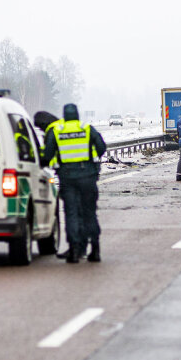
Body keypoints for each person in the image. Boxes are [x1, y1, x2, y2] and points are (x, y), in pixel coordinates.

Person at [42, 103, 108, 263]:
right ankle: (95, 249)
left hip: (67, 177)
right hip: (88, 176)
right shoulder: (86, 128)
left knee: (71, 213)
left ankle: (74, 251)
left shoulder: (57, 131)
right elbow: (101, 147)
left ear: (64, 116)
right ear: (77, 115)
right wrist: (91, 160)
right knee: (89, 212)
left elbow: (47, 154)